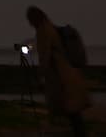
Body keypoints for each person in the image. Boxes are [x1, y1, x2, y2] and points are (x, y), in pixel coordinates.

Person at [25, 7, 91, 137]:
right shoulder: (51, 28)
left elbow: (44, 57)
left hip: (60, 80)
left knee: (66, 113)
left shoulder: (43, 31)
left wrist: (39, 77)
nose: (29, 23)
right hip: (70, 76)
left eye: (30, 20)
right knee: (73, 114)